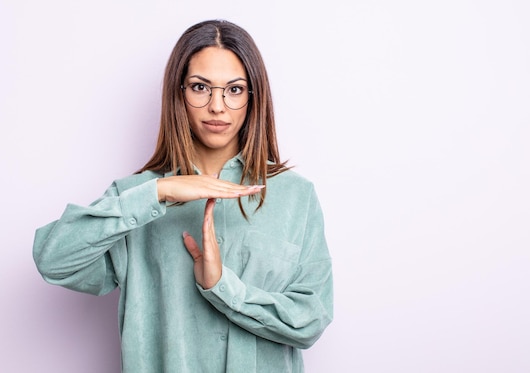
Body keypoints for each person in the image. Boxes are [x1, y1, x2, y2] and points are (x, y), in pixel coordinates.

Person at [33, 19, 333, 372]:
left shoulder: (295, 196)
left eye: (234, 90)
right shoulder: (135, 197)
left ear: (254, 97)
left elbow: (310, 320)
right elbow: (53, 260)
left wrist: (223, 288)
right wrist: (160, 192)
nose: (217, 107)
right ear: (179, 93)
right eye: (200, 87)